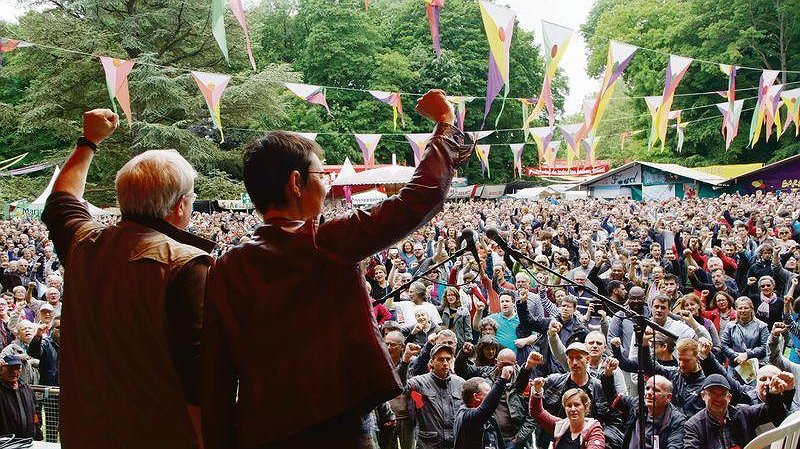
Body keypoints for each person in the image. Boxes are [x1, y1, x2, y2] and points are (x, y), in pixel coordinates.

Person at [201, 89, 473, 449]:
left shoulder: (224, 268)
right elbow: (416, 200)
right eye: (321, 173)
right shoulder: (323, 242)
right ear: (296, 183)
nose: (327, 182)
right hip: (339, 429)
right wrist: (446, 126)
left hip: (262, 432)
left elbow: (215, 379)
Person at [41, 109, 214, 448]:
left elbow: (61, 201)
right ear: (180, 206)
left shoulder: (83, 245)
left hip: (85, 436)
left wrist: (88, 141)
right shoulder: (186, 265)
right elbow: (199, 383)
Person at [683, 373, 790, 448]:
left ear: (729, 397)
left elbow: (775, 413)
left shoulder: (744, 413)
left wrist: (774, 394)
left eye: (722, 394)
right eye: (712, 393)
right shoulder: (693, 425)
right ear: (703, 396)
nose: (718, 398)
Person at [601, 361, 685, 449]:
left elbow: (675, 446)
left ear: (668, 397)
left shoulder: (676, 421)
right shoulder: (636, 404)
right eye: (647, 388)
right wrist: (608, 375)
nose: (649, 393)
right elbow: (613, 399)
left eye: (656, 390)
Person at [453, 365, 515, 449]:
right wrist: (502, 379)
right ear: (476, 397)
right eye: (489, 394)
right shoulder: (466, 416)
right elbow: (485, 409)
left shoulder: (489, 419)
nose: (491, 396)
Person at [529, 381, 605, 449]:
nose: (572, 409)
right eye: (568, 405)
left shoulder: (594, 430)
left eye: (577, 405)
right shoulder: (560, 426)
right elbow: (537, 413)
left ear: (585, 406)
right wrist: (537, 390)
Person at [0, 355, 38, 440]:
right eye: (10, 369)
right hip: (6, 443)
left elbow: (34, 413)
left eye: (17, 368)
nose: (14, 372)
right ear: (1, 370)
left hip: (27, 441)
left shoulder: (26, 388)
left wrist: (38, 433)